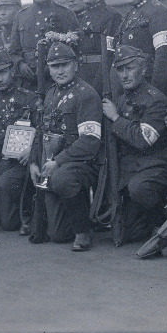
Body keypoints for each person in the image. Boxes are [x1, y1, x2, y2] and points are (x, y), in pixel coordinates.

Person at [30, 42, 102, 251]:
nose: (60, 71)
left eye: (64, 65)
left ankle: (82, 232)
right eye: (54, 66)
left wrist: (58, 162)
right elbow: (41, 131)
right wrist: (34, 162)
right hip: (54, 164)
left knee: (62, 179)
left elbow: (90, 141)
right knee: (57, 235)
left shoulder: (86, 94)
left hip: (82, 163)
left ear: (76, 65)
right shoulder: (51, 93)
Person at [102, 45, 167, 244]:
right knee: (131, 234)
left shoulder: (155, 99)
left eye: (130, 69)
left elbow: (144, 139)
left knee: (139, 189)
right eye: (120, 69)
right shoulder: (121, 99)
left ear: (143, 70)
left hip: (153, 167)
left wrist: (116, 118)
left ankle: (161, 217)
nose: (124, 75)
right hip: (129, 170)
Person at [0, 48, 39, 233]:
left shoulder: (29, 98)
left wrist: (33, 153)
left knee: (7, 181)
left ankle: (32, 212)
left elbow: (41, 131)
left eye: (3, 72)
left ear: (12, 71)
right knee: (8, 224)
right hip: (5, 162)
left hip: (26, 160)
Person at [9, 0, 80, 91]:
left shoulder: (65, 14)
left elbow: (75, 50)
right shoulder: (21, 17)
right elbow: (13, 52)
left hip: (56, 84)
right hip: (27, 85)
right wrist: (20, 65)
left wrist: (50, 67)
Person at [112, 0, 167, 97]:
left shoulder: (158, 13)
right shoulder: (130, 15)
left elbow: (163, 60)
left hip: (148, 92)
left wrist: (154, 95)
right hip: (130, 92)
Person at [75, 0, 123, 96]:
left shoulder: (112, 16)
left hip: (101, 83)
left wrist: (96, 88)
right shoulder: (82, 18)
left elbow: (110, 58)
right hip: (81, 79)